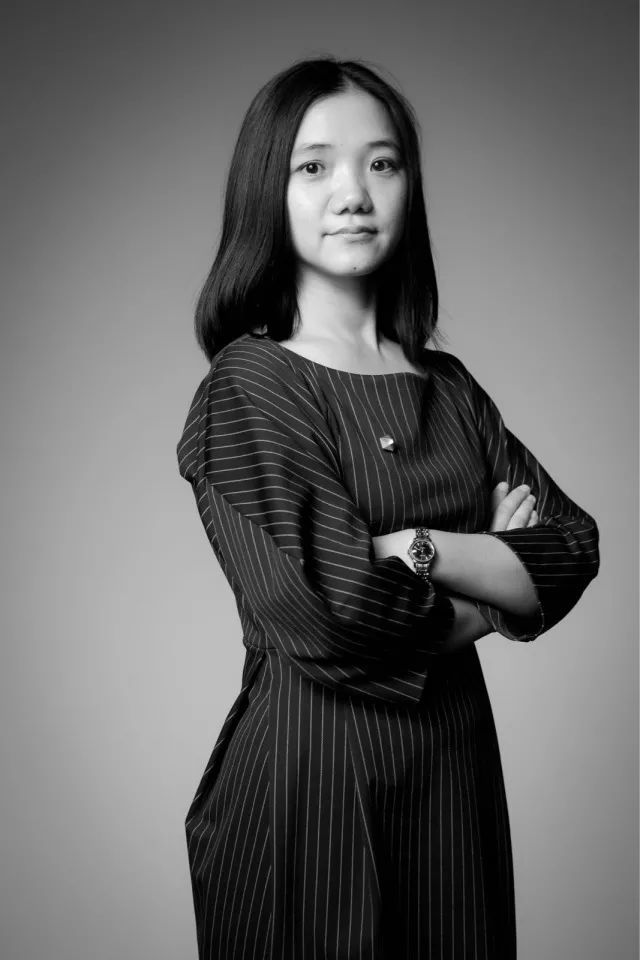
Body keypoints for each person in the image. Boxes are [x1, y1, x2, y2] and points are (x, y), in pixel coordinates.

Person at [176, 56, 600, 960]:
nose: (354, 194)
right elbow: (332, 612)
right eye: (314, 166)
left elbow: (572, 545)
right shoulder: (251, 385)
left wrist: (415, 545)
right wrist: (493, 593)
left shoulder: (450, 388)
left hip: (453, 776)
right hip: (311, 789)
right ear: (268, 191)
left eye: (382, 162)